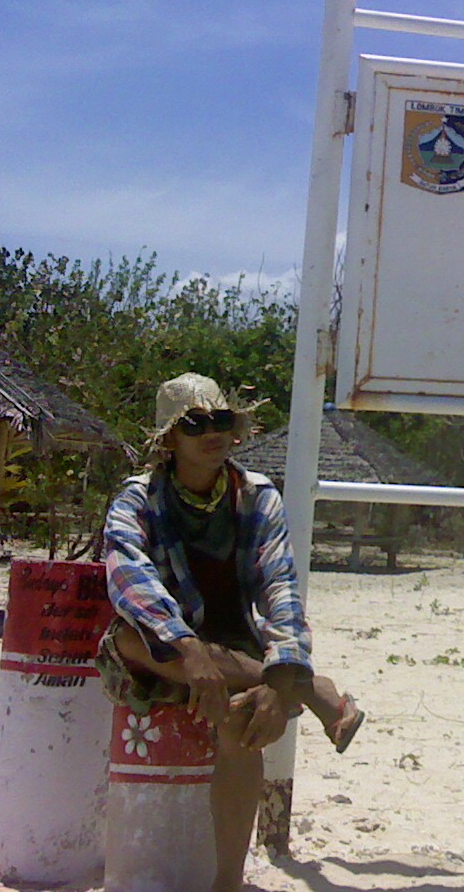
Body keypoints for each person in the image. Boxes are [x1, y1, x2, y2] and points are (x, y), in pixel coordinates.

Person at [98, 372, 364, 892]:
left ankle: (228, 883)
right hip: (164, 646)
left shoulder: (257, 496)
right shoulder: (140, 498)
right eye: (194, 424)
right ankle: (314, 689)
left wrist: (279, 664)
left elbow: (281, 586)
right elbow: (129, 577)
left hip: (239, 648)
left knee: (239, 728)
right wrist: (190, 645)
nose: (211, 432)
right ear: (169, 440)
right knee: (129, 637)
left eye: (219, 420)